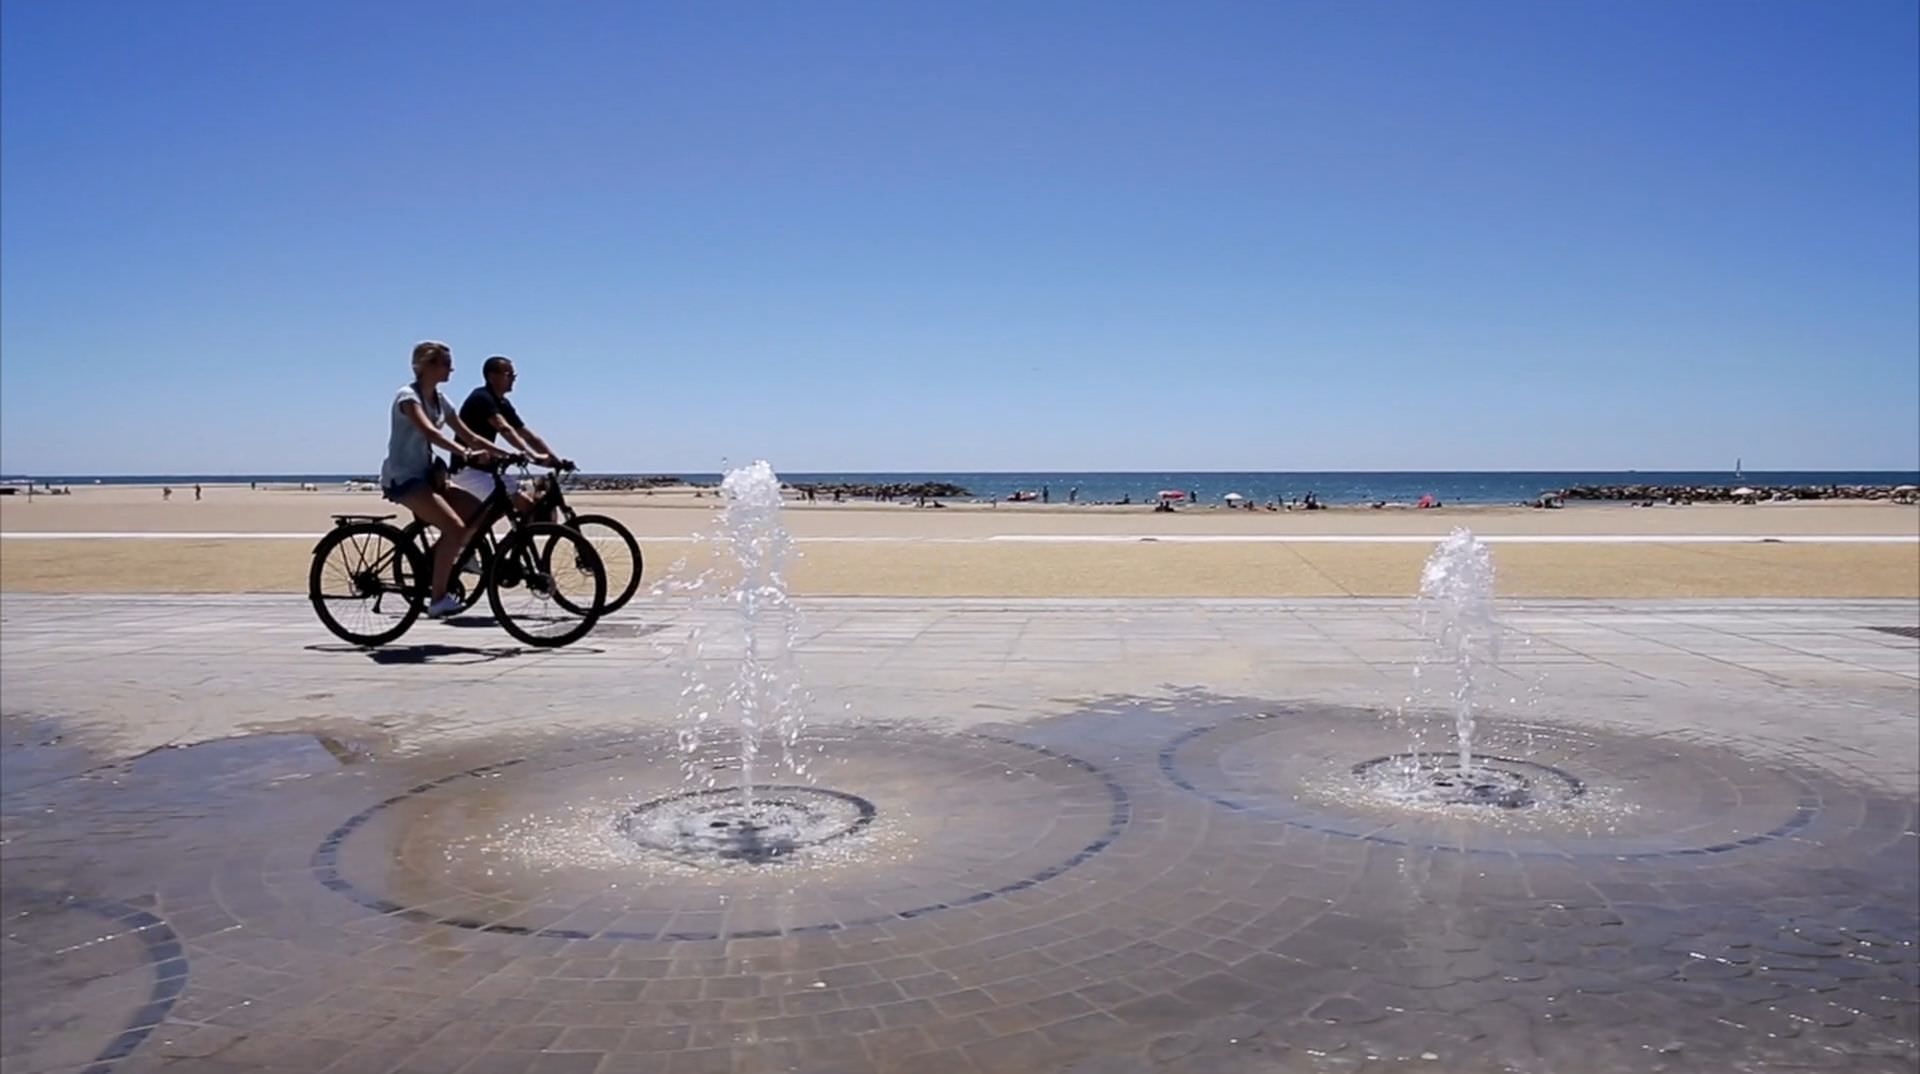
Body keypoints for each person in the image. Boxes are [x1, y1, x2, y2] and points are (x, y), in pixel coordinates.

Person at [380, 340, 498, 618]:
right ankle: (437, 598)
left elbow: (470, 434)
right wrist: (466, 453)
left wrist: (508, 454)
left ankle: (441, 557)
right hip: (405, 478)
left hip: (428, 476)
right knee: (456, 528)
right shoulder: (407, 397)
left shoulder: (440, 400)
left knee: (479, 513)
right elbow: (431, 433)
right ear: (426, 365)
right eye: (445, 363)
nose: (452, 368)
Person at [448, 355, 568, 516]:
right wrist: (531, 455)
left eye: (514, 375)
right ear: (492, 376)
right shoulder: (482, 398)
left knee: (524, 503)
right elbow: (504, 428)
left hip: (485, 470)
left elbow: (527, 435)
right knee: (521, 503)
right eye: (508, 375)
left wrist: (555, 460)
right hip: (467, 470)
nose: (513, 379)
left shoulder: (502, 403)